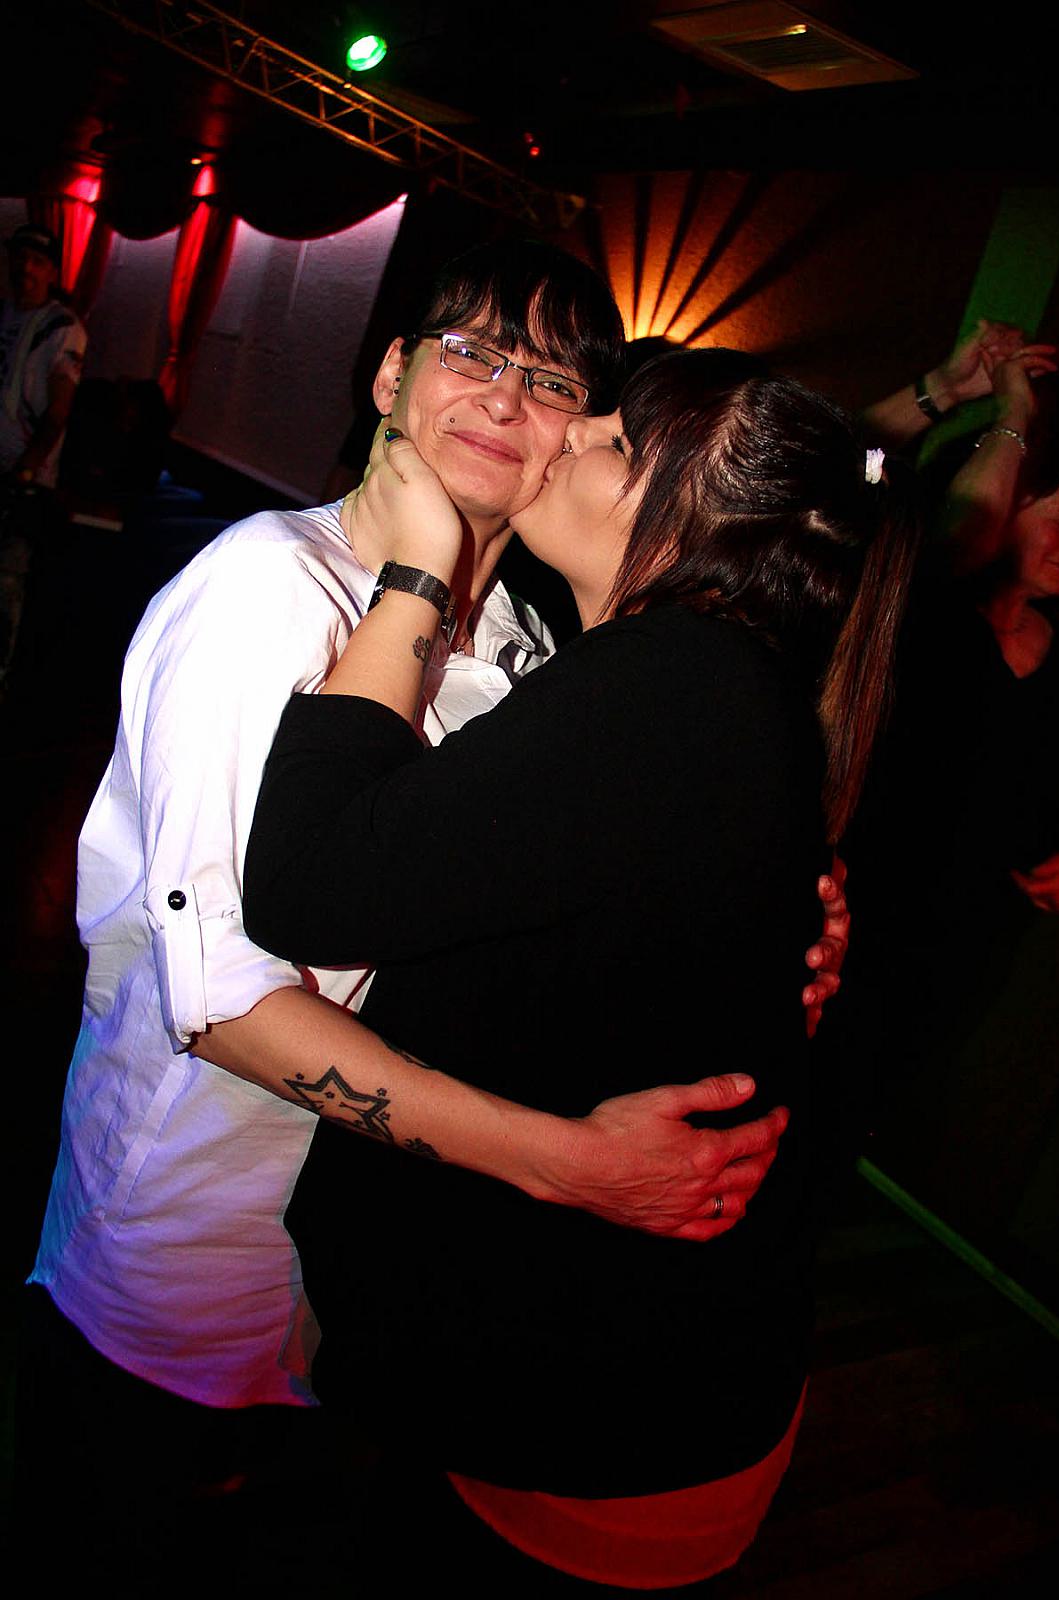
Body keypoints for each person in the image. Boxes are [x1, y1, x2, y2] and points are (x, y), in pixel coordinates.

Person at [27, 247, 833, 1536]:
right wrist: (566, 1164)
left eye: (552, 381)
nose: (506, 397)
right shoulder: (266, 589)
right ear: (390, 374)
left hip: (379, 1275)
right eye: (471, 353)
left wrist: (762, 922)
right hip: (197, 1247)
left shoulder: (531, 643)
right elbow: (220, 1003)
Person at [241, 350, 920, 1589]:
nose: (563, 437)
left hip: (587, 1430)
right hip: (619, 1395)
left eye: (612, 440)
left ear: (697, 522)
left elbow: (303, 889)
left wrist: (413, 575)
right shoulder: (711, 685)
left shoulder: (669, 684)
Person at [0, 223, 85, 486]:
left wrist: (27, 468)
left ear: (52, 273)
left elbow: (58, 410)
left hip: (24, 472)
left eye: (38, 262)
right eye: (21, 257)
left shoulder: (62, 328)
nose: (26, 267)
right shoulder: (3, 312)